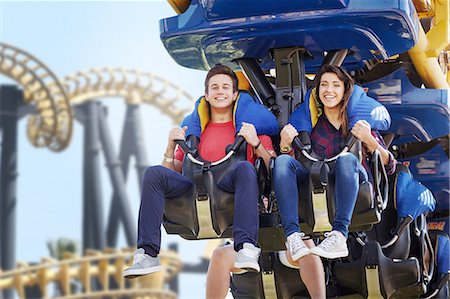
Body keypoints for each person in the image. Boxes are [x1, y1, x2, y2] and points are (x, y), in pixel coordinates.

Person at [123, 64, 277, 278]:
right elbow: (172, 172)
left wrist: (256, 144)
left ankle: (246, 247)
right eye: (214, 88)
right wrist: (170, 148)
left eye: (225, 87)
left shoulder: (250, 129)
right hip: (194, 189)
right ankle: (147, 253)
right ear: (206, 94)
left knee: (244, 167)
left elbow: (273, 167)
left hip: (230, 188)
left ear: (234, 95)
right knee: (153, 173)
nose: (220, 92)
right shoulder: (193, 132)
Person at [273, 64, 397, 261]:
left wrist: (369, 139)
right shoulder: (311, 127)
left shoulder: (358, 122)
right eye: (323, 85)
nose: (329, 90)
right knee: (281, 162)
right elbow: (290, 167)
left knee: (346, 159)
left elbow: (390, 165)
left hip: (354, 183)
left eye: (335, 85)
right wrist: (285, 145)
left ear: (344, 90)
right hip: (316, 183)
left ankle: (339, 234)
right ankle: (292, 236)